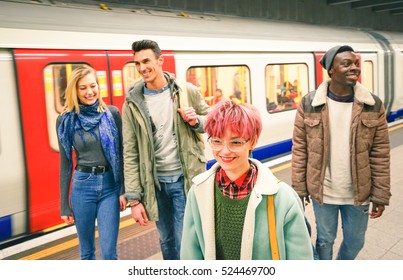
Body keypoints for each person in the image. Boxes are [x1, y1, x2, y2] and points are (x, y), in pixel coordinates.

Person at [291, 45, 391, 260]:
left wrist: (381, 193)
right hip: (323, 192)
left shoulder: (372, 104)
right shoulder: (310, 103)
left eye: (356, 63)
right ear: (331, 71)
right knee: (325, 240)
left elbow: (380, 153)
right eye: (346, 64)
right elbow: (300, 149)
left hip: (358, 192)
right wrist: (299, 189)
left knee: (355, 242)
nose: (354, 68)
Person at [181, 100, 313, 260]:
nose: (224, 151)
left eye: (235, 142)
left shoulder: (283, 198)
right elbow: (190, 255)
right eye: (216, 141)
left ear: (253, 141)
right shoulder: (198, 192)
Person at [122, 39, 211, 260]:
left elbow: (212, 120)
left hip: (185, 180)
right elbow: (130, 151)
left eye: (146, 61)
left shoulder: (186, 90)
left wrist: (196, 120)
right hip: (156, 185)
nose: (142, 68)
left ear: (160, 61)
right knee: (166, 240)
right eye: (138, 64)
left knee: (185, 240)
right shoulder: (132, 103)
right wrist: (134, 199)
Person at [56, 65, 126, 260]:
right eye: (83, 88)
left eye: (93, 86)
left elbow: (122, 153)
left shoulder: (112, 114)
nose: (90, 92)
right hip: (82, 187)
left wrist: (123, 189)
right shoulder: (65, 120)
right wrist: (64, 205)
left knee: (109, 253)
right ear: (74, 91)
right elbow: (65, 163)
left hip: (110, 187)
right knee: (86, 253)